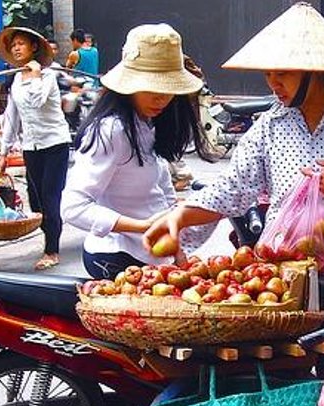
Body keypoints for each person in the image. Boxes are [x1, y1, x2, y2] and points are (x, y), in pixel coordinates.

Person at [142, 2, 324, 275]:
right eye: (268, 74)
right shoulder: (270, 124)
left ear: (316, 71)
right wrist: (180, 216)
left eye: (282, 73)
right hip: (281, 273)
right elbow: (234, 187)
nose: (272, 84)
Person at [61, 24, 215, 280]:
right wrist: (142, 227)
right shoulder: (112, 130)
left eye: (168, 89)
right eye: (152, 88)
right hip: (117, 257)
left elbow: (162, 190)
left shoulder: (146, 123)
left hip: (154, 258)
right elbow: (73, 207)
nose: (162, 99)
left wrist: (175, 247)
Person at [0, 27, 71, 270]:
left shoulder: (47, 76)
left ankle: (52, 250)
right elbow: (12, 116)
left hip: (55, 143)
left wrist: (36, 75)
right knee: (35, 202)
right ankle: (51, 231)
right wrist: (4, 152)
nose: (16, 48)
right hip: (31, 145)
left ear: (34, 47)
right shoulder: (17, 78)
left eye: (21, 44)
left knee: (50, 198)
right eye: (13, 45)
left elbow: (37, 101)